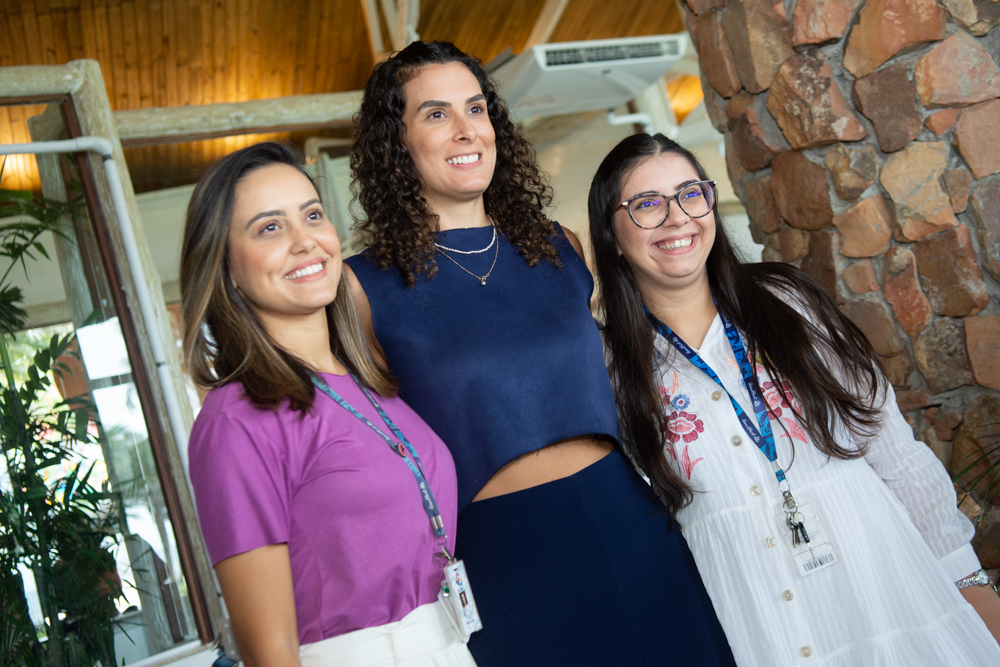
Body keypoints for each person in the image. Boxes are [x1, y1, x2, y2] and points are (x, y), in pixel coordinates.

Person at [345, 41, 736, 666]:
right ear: (398, 142)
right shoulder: (363, 287)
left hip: (626, 520)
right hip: (504, 556)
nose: (467, 128)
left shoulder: (561, 249)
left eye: (476, 108)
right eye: (437, 114)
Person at [589, 132, 1000, 666]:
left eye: (691, 193)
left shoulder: (787, 301)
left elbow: (892, 448)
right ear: (613, 236)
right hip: (752, 619)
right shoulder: (609, 365)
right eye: (647, 205)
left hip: (884, 589)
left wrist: (968, 579)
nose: (677, 217)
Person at [180, 142, 477, 667]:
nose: (305, 241)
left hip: (447, 645)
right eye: (269, 228)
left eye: (312, 215)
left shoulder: (371, 383)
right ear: (226, 269)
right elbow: (269, 653)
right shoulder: (236, 419)